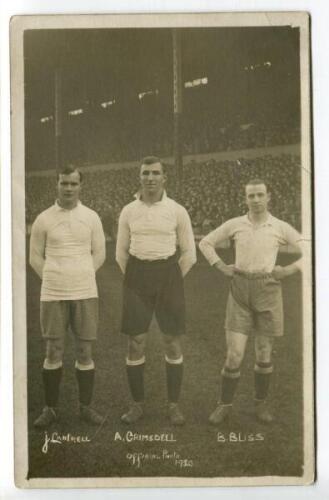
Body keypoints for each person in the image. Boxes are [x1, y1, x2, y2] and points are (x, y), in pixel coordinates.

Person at [199, 178, 303, 424]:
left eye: (260, 195)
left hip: (268, 289)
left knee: (264, 352)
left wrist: (287, 271)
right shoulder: (236, 224)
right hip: (240, 289)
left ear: (269, 197)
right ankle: (224, 405)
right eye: (251, 196)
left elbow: (311, 249)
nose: (255, 200)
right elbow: (205, 242)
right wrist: (220, 266)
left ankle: (260, 405)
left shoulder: (278, 226)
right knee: (234, 354)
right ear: (245, 199)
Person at [116, 156, 196, 425]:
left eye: (155, 173)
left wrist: (170, 277)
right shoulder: (128, 211)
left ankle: (173, 405)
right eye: (145, 173)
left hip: (169, 276)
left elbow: (189, 254)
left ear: (164, 178)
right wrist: (138, 278)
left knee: (172, 341)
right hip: (137, 276)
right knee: (135, 341)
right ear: (139, 177)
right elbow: (120, 253)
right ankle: (137, 404)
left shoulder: (177, 210)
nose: (150, 178)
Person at [30, 165, 106, 428]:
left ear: (80, 186)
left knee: (85, 350)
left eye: (73, 184)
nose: (69, 188)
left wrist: (81, 274)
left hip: (85, 291)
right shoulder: (43, 219)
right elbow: (35, 257)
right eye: (64, 183)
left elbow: (99, 254)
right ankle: (50, 409)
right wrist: (54, 276)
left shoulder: (92, 217)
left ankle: (86, 408)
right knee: (54, 350)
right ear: (57, 185)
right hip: (53, 293)